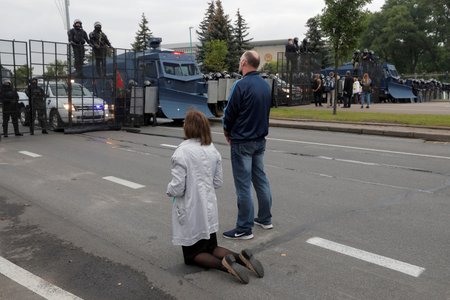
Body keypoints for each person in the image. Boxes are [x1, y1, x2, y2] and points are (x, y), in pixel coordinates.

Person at [167, 110, 264, 284]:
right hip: (209, 205)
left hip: (191, 209)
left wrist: (170, 190)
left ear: (188, 128)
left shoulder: (181, 153)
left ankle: (224, 265)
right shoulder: (212, 149)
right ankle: (241, 258)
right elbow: (217, 182)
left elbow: (178, 187)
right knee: (211, 246)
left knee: (193, 254)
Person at [222, 50, 273, 240]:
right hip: (260, 140)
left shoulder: (240, 85)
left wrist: (227, 131)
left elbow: (229, 113)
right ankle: (265, 219)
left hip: (242, 141)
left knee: (243, 186)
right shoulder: (265, 85)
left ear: (244, 62)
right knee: (260, 179)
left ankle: (244, 228)